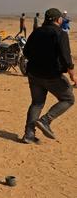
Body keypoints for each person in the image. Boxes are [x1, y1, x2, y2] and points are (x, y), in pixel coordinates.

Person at [21, 8, 75, 144]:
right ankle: (46, 120)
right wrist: (73, 75)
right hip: (52, 75)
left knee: (37, 103)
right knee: (68, 99)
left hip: (34, 74)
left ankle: (28, 134)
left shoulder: (36, 32)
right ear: (58, 19)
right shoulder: (60, 34)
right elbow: (66, 58)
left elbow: (26, 52)